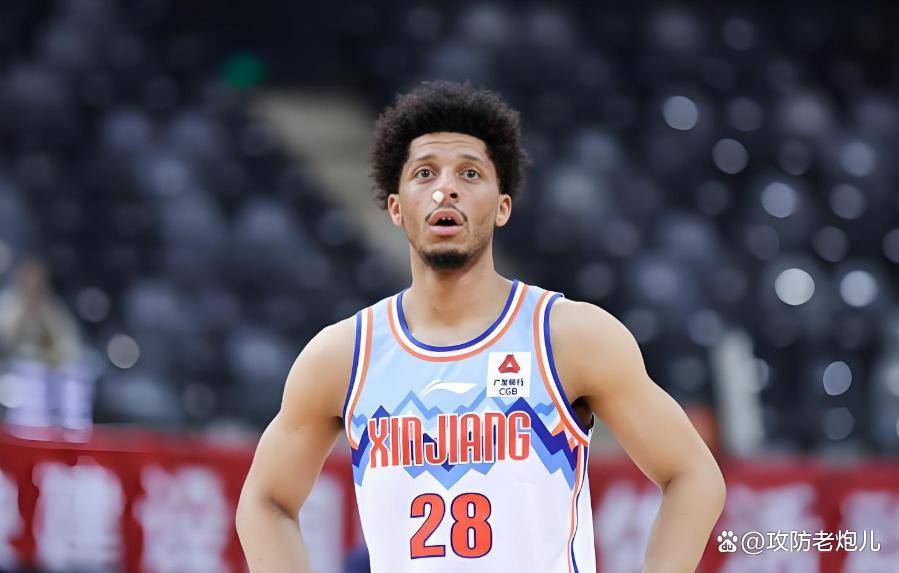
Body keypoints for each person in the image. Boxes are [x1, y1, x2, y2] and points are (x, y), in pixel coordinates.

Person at [236, 81, 725, 573]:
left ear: (502, 206)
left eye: (469, 173)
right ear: (396, 208)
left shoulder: (569, 336)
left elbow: (693, 474)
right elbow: (265, 501)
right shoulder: (343, 356)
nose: (445, 189)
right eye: (424, 173)